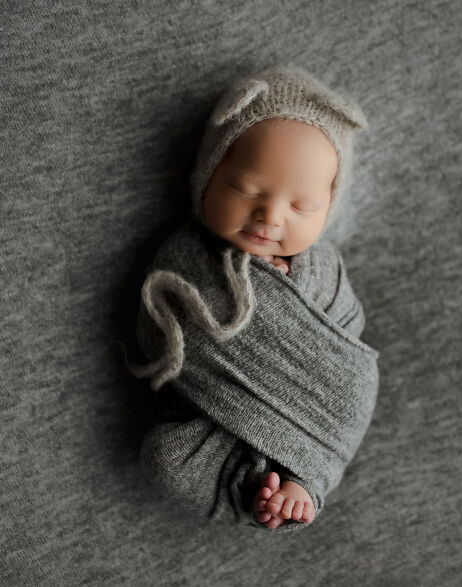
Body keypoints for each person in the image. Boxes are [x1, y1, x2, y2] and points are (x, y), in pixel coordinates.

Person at [127, 65, 379, 532]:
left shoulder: (324, 266)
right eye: (246, 190)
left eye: (301, 206)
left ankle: (303, 481)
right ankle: (262, 488)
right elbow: (151, 333)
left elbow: (348, 331)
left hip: (322, 407)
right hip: (214, 417)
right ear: (207, 177)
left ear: (327, 209)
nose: (270, 216)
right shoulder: (184, 259)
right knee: (166, 459)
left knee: (357, 387)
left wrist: (288, 299)